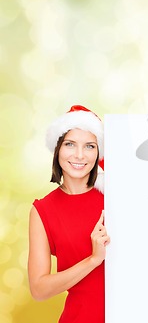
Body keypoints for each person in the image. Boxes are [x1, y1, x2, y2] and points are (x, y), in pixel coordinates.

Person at [28, 105, 109, 323]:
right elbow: (39, 289)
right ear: (57, 149)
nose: (80, 155)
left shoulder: (116, 198)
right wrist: (93, 259)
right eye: (70, 144)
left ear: (98, 152)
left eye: (90, 146)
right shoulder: (43, 211)